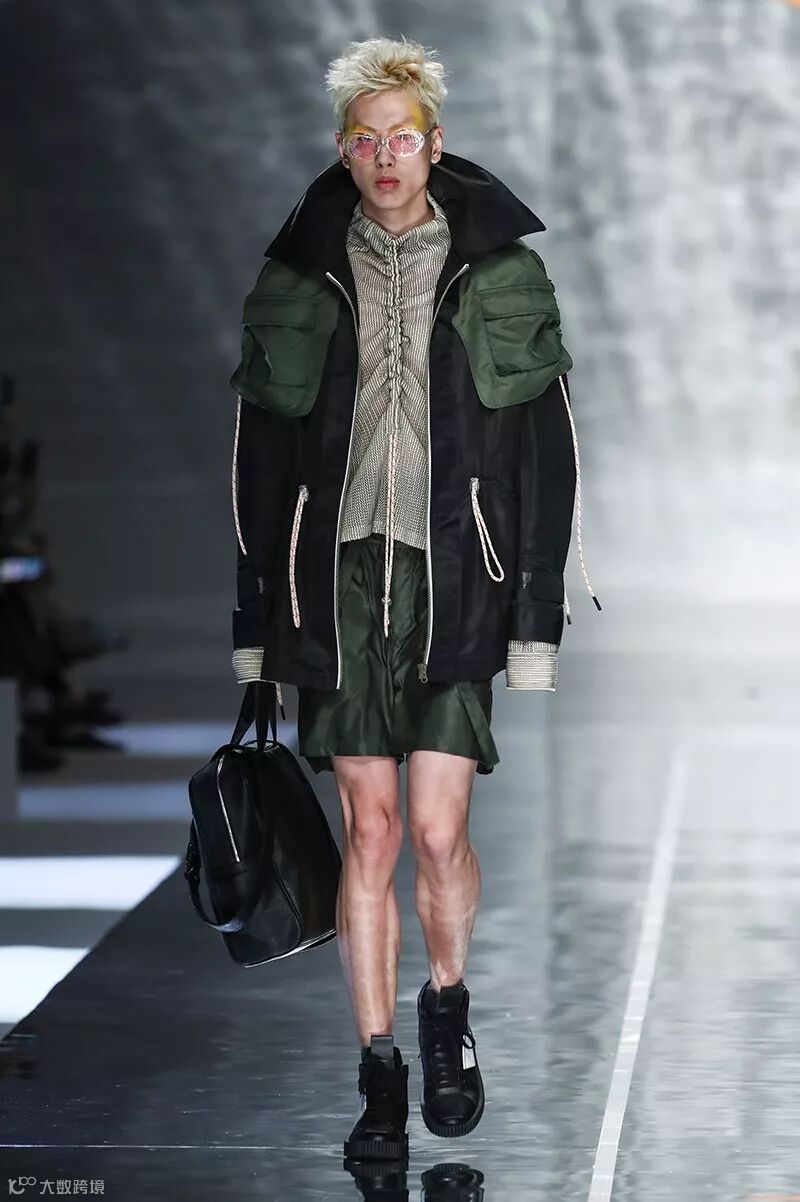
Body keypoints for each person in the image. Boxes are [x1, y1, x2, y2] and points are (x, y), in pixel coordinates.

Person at [228, 35, 599, 1163]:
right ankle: (379, 1069)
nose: (384, 156)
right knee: (372, 827)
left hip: (456, 574)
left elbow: (544, 449)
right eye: (365, 140)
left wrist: (535, 618)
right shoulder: (301, 275)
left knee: (439, 831)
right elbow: (258, 454)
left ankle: (445, 1007)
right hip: (336, 581)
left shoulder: (500, 273)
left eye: (402, 138)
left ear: (434, 145)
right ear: (344, 152)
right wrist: (254, 622)